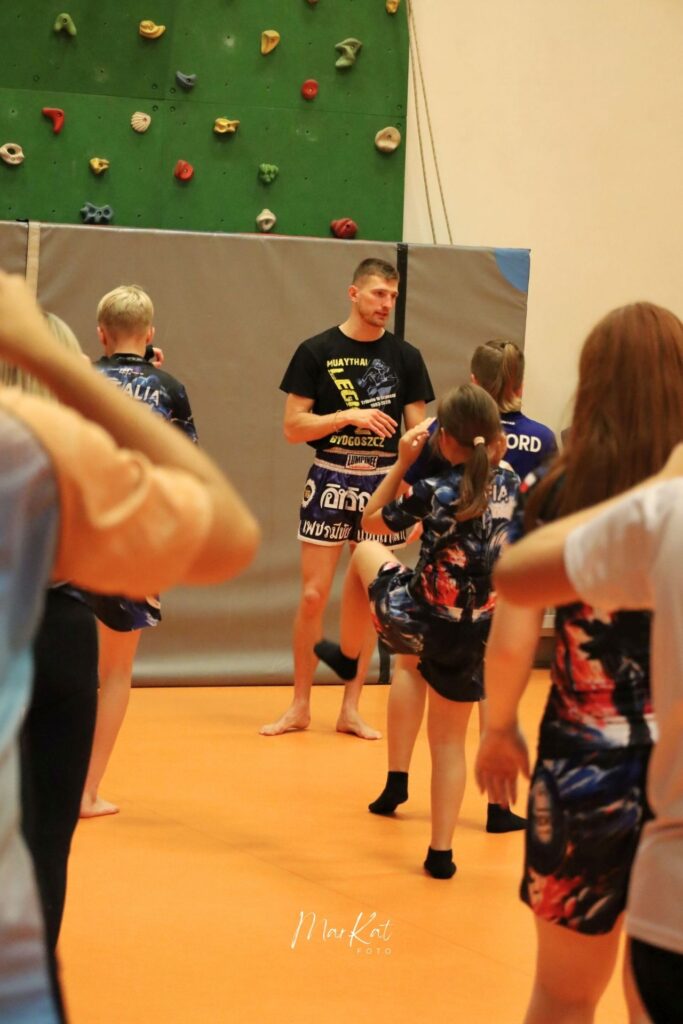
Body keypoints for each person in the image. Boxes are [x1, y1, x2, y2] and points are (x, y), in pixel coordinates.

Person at [0, 270, 259, 1023]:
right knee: (44, 843)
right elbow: (227, 529)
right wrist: (61, 373)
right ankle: (89, 793)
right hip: (68, 600)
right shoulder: (52, 442)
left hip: (63, 605)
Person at [475, 302, 683, 1023]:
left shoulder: (560, 490)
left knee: (563, 993)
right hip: (673, 770)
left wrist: (498, 727)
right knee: (658, 991)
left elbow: (512, 631)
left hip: (583, 766)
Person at [316, 384, 519, 877]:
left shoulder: (435, 489)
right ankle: (441, 854)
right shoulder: (511, 483)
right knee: (449, 744)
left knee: (365, 553)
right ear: (495, 440)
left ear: (443, 439)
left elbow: (370, 521)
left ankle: (349, 656)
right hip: (473, 630)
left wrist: (401, 464)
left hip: (417, 614)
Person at [381, 337, 555, 832]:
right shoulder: (541, 438)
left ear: (474, 381)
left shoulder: (444, 430)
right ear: (520, 383)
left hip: (445, 585)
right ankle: (498, 805)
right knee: (494, 687)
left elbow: (408, 498)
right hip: (507, 587)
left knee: (410, 668)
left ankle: (396, 781)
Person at [261, 258, 434, 740]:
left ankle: (351, 708)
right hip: (330, 476)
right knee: (313, 594)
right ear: (353, 293)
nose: (387, 303)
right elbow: (293, 427)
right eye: (379, 293)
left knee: (364, 598)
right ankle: (299, 705)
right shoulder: (316, 350)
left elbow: (419, 436)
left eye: (393, 296)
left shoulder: (406, 357)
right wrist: (347, 416)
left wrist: (417, 498)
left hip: (382, 483)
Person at [71, 285, 198, 818]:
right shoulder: (170, 389)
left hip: (73, 533)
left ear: (101, 334)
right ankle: (86, 791)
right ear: (149, 335)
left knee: (54, 654)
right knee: (115, 670)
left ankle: (37, 779)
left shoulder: (76, 378)